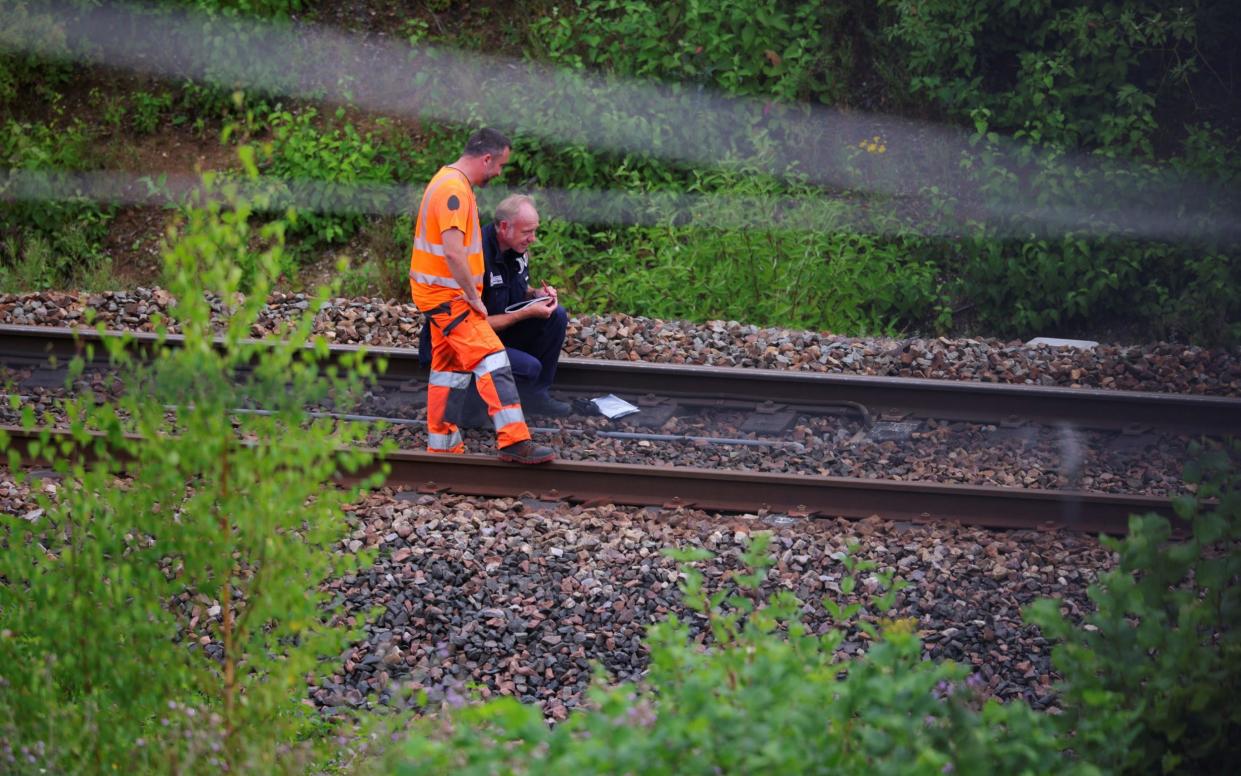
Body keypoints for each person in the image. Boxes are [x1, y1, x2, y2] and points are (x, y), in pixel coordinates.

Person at [408, 128, 555, 465]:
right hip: (449, 297)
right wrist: (474, 297)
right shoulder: (453, 190)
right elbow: (453, 251)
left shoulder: (452, 184)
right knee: (493, 359)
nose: (499, 172)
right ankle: (514, 441)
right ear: (486, 158)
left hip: (440, 295)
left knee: (448, 370)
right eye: (500, 164)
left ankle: (442, 446)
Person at [420, 194, 571, 420]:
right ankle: (471, 406)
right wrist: (526, 312)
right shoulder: (474, 256)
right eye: (527, 232)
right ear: (503, 227)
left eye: (534, 231)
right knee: (529, 369)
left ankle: (535, 398)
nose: (533, 238)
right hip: (462, 346)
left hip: (493, 334)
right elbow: (470, 326)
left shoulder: (515, 248)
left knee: (556, 316)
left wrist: (536, 294)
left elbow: (515, 286)